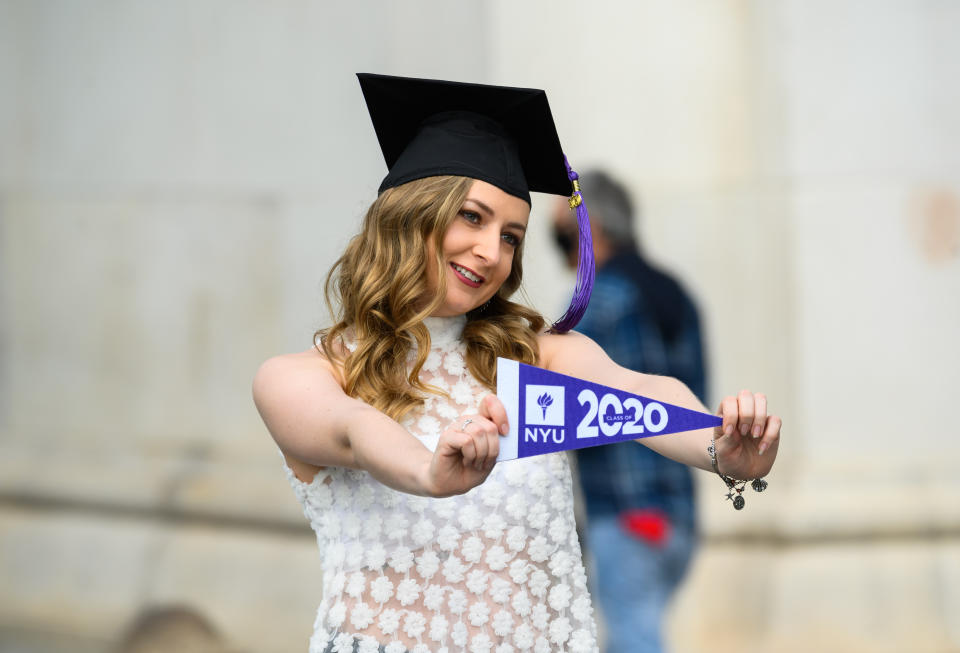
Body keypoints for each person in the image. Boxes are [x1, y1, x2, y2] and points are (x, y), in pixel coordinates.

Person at [253, 73, 781, 653]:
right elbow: (353, 431)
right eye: (472, 218)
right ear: (410, 214)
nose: (491, 253)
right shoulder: (304, 376)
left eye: (511, 236)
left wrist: (717, 443)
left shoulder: (537, 357)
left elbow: (637, 393)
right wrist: (431, 473)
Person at [552, 170, 706, 653]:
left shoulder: (599, 300)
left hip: (626, 513)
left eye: (562, 234)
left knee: (633, 639)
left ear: (591, 229)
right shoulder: (677, 292)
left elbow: (559, 402)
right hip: (677, 514)